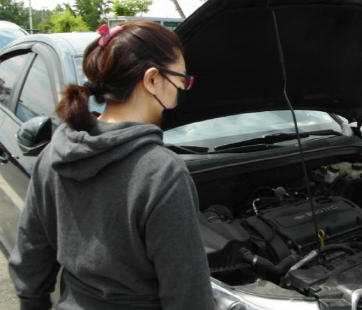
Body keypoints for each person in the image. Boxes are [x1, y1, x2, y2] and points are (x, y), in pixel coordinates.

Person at [9, 21, 215, 310]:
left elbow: (33, 247)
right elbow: (187, 293)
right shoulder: (160, 172)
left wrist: (33, 302)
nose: (183, 87)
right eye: (182, 78)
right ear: (153, 79)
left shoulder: (56, 150)